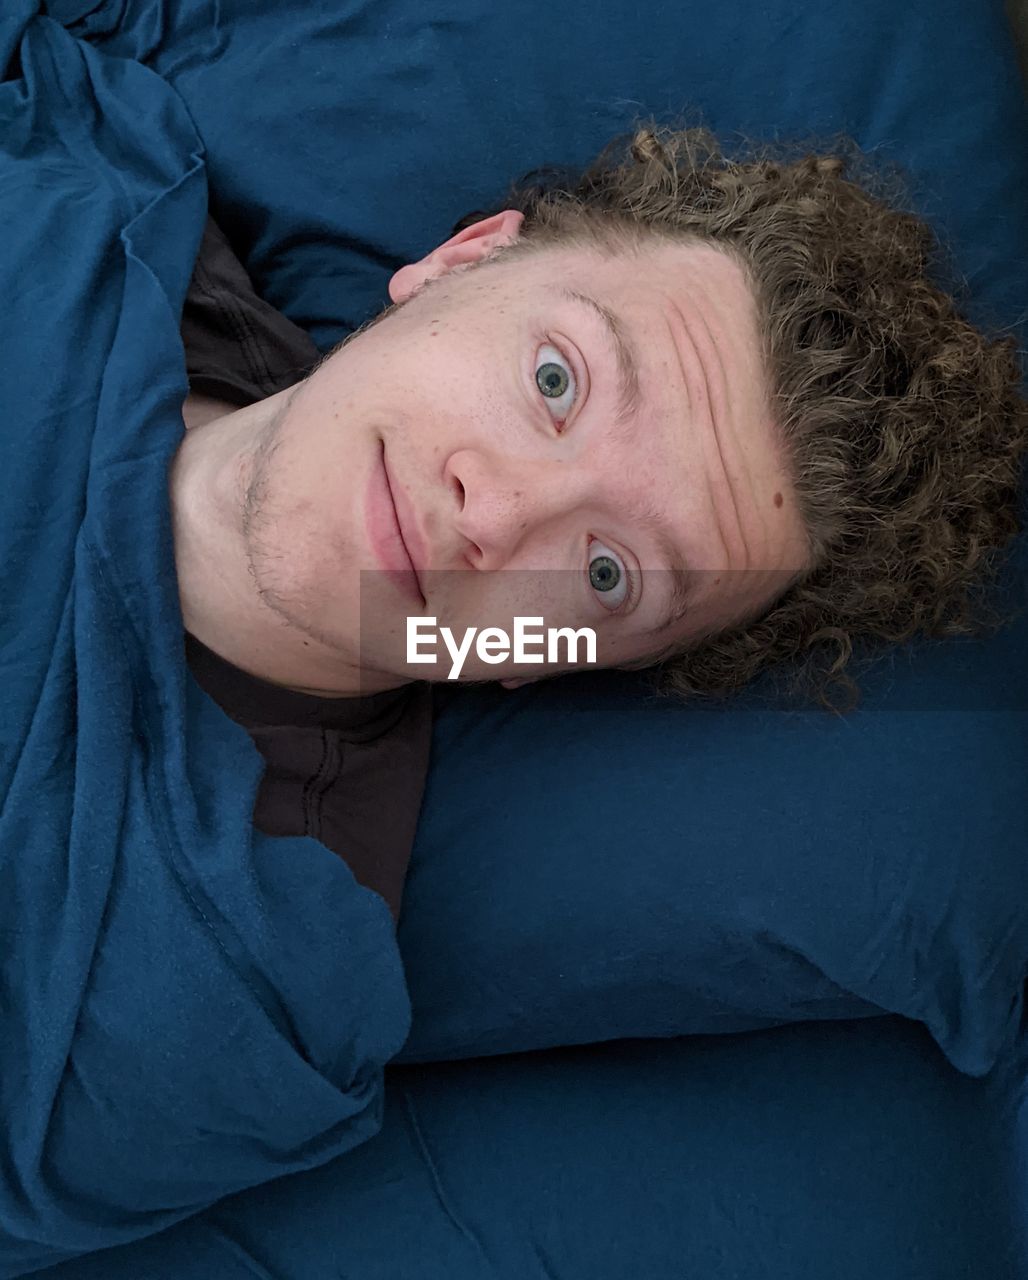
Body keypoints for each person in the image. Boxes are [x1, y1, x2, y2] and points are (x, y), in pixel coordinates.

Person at [169, 121, 1028, 920]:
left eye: (607, 574)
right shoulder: (111, 183)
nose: (497, 517)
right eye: (555, 381)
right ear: (458, 263)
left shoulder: (242, 955)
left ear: (548, 666)